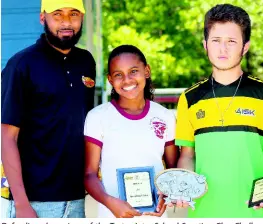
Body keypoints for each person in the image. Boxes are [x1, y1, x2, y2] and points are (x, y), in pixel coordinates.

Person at [172, 4, 263, 218]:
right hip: (204, 213)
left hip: (254, 212)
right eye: (216, 41)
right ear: (205, 45)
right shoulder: (189, 99)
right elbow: (187, 156)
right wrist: (184, 186)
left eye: (231, 41)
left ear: (245, 46)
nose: (222, 49)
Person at [1, 0, 95, 218]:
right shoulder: (21, 65)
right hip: (35, 201)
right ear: (43, 18)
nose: (66, 22)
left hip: (76, 197)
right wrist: (22, 204)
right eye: (58, 14)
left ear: (81, 17)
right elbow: (6, 137)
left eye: (73, 14)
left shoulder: (86, 62)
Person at [83, 45, 179, 218]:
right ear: (110, 80)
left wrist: (167, 196)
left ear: (147, 71)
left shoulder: (165, 116)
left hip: (154, 216)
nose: (127, 80)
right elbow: (89, 174)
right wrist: (109, 202)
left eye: (133, 71)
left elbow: (174, 170)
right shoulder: (98, 117)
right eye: (118, 74)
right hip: (112, 215)